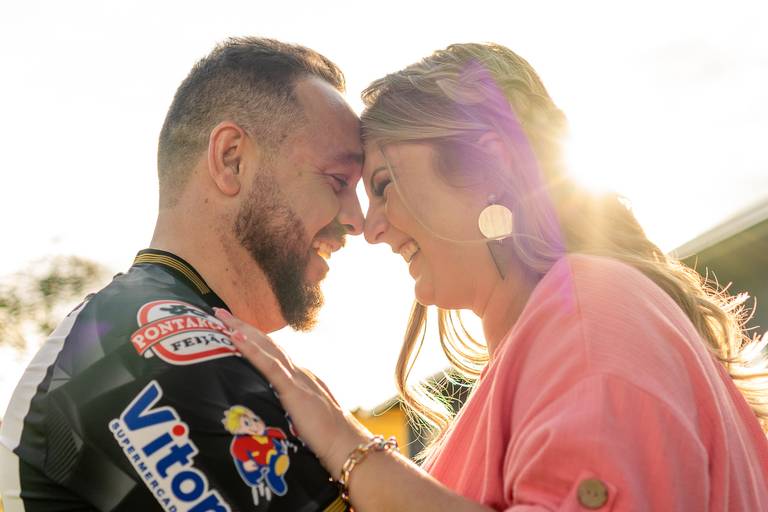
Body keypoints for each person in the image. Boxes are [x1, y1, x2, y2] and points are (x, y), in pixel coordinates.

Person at [215, 42, 768, 511]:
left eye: (383, 185)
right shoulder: (555, 336)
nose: (372, 228)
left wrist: (341, 439)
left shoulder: (587, 322)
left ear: (490, 167)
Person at [0, 37, 363, 512]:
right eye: (338, 181)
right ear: (231, 159)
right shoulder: (162, 347)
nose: (358, 220)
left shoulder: (144, 323)